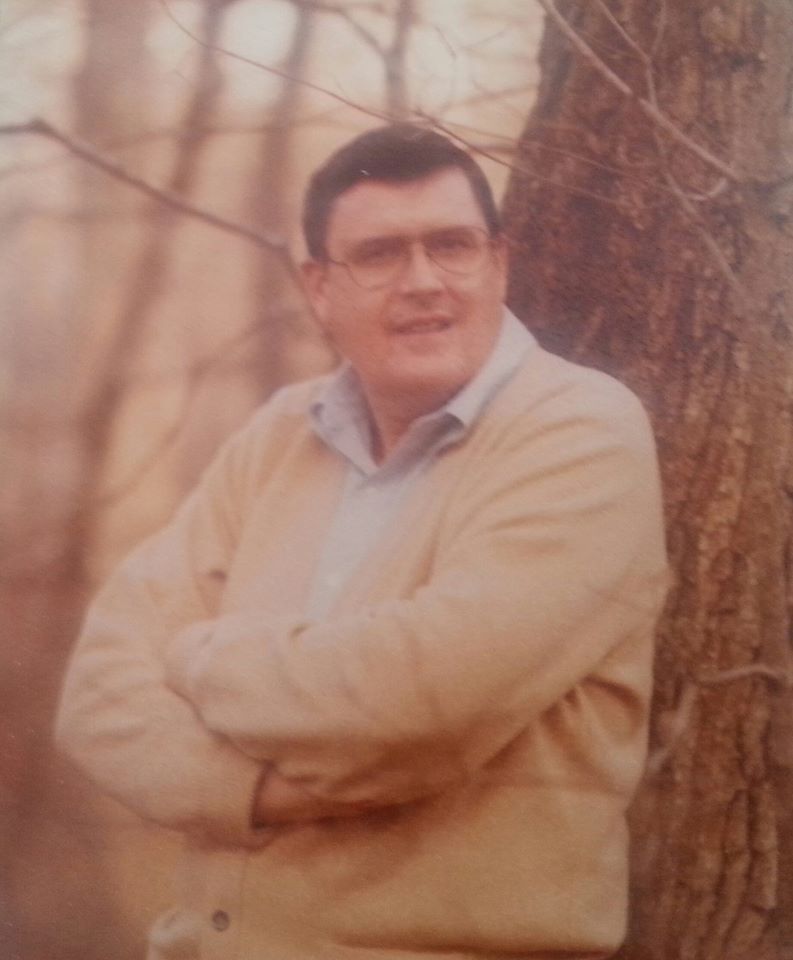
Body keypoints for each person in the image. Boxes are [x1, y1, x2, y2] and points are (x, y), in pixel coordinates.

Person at [56, 123, 669, 960]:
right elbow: (97, 697)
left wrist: (197, 657)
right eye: (379, 255)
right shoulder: (279, 436)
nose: (422, 281)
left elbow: (420, 702)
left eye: (451, 245)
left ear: (498, 263)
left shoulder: (579, 431)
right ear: (319, 287)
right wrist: (260, 788)